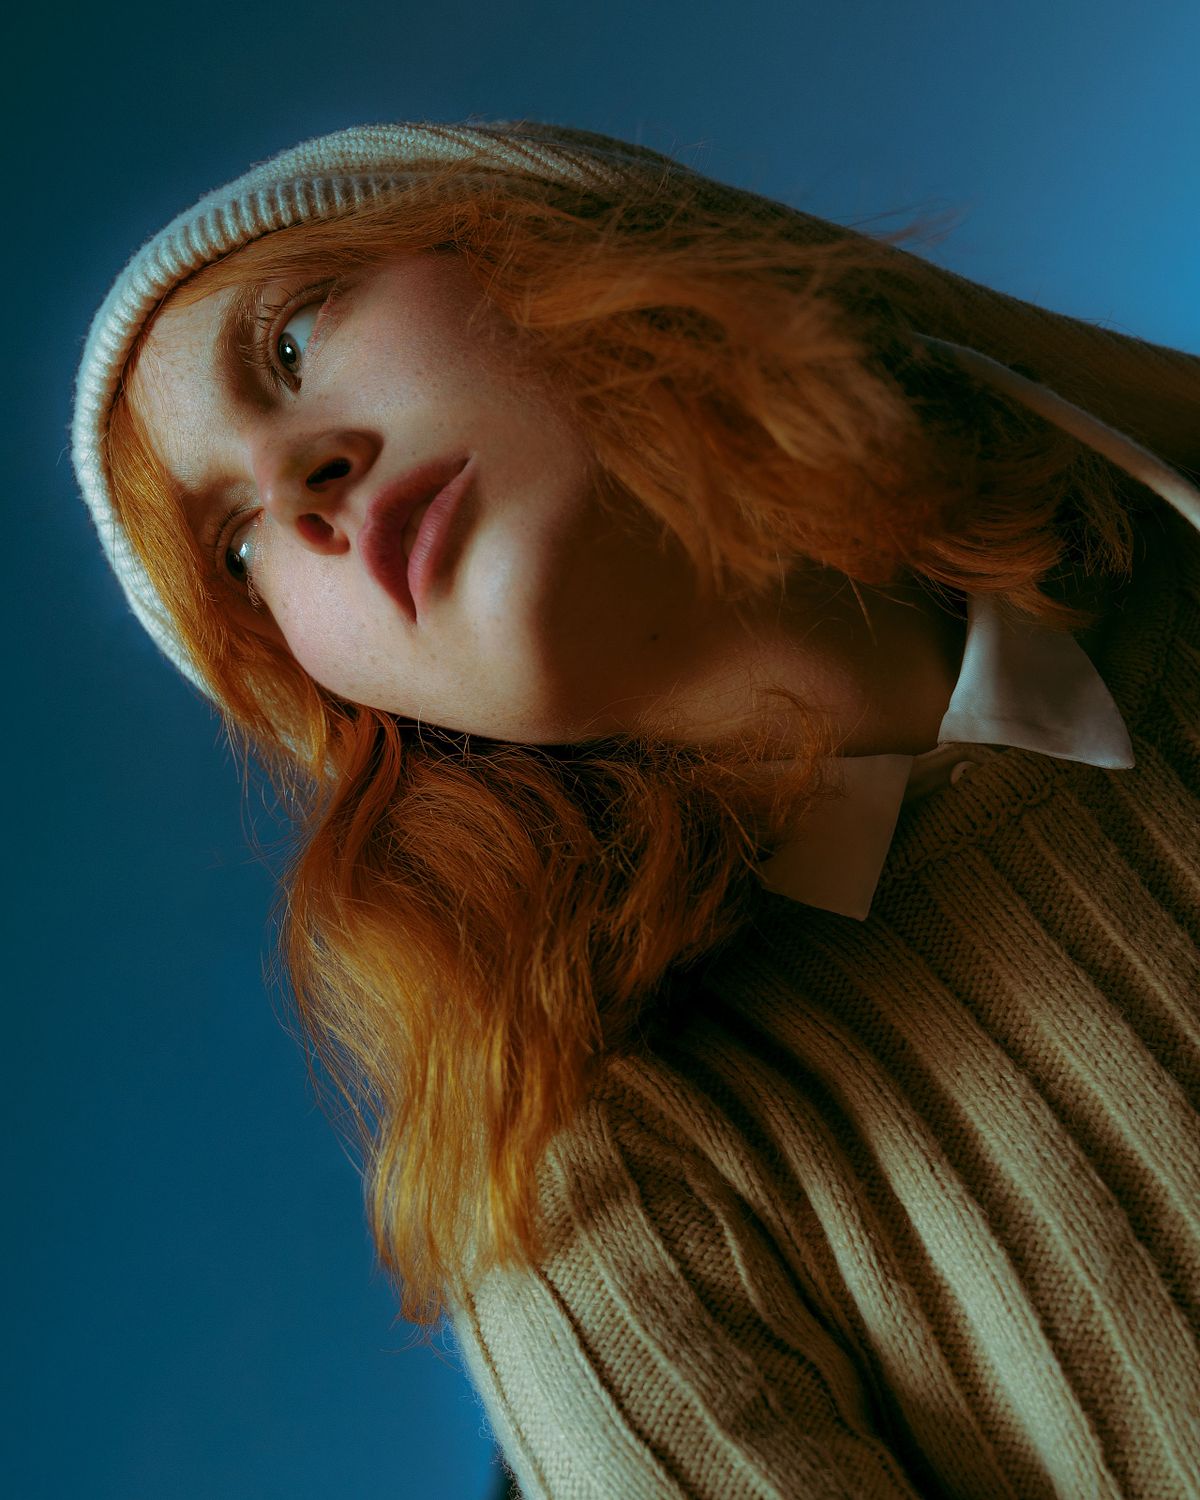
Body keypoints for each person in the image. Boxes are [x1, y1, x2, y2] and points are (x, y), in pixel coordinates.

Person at [73, 119, 1200, 1499]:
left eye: (293, 341)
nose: (290, 487)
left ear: (556, 234)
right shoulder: (602, 1184)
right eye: (236, 548)